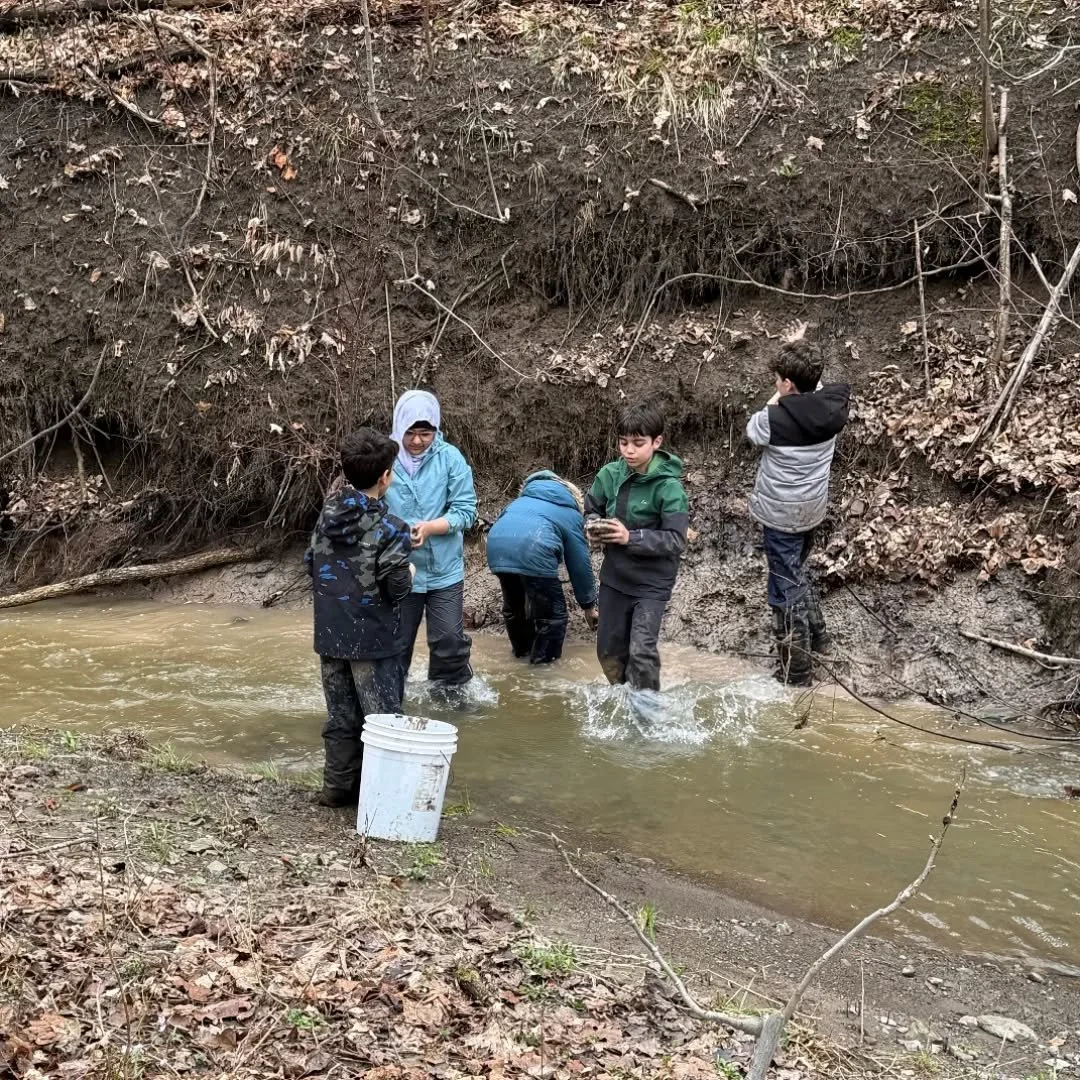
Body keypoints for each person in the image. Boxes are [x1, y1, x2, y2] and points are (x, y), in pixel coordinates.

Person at [305, 428, 414, 807]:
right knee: (383, 720)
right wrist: (410, 571)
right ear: (385, 477)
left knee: (341, 718)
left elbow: (311, 565)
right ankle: (382, 800)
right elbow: (397, 588)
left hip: (331, 634)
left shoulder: (327, 516)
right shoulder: (392, 528)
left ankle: (337, 790)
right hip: (374, 640)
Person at [746, 323, 850, 687]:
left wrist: (778, 396)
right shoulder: (831, 408)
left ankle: (797, 672)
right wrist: (797, 348)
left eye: (778, 380)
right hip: (812, 510)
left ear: (789, 385)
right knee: (795, 570)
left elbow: (754, 429)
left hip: (781, 516)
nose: (775, 385)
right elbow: (812, 390)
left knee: (783, 588)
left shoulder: (771, 420)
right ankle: (820, 636)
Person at [584, 402, 688, 692]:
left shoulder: (670, 488)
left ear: (657, 442)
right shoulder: (609, 474)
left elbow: (676, 540)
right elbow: (591, 509)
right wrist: (593, 527)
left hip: (652, 584)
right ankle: (626, 702)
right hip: (615, 579)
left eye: (638, 443)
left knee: (641, 654)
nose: (629, 450)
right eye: (623, 443)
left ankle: (648, 716)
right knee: (607, 654)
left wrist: (630, 537)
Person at [385, 390, 477, 692]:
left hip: (444, 570)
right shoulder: (384, 458)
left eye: (425, 433)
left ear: (436, 429)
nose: (416, 441)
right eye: (409, 433)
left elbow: (466, 512)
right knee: (395, 644)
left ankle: (450, 702)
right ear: (399, 428)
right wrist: (397, 534)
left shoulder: (450, 458)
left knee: (449, 640)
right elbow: (371, 508)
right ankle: (389, 703)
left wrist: (431, 527)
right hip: (397, 569)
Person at [486, 470, 599, 664]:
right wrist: (589, 606)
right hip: (534, 548)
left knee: (515, 608)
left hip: (497, 549)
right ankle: (542, 671)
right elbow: (579, 563)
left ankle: (521, 656)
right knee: (553, 616)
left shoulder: (515, 504)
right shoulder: (569, 512)